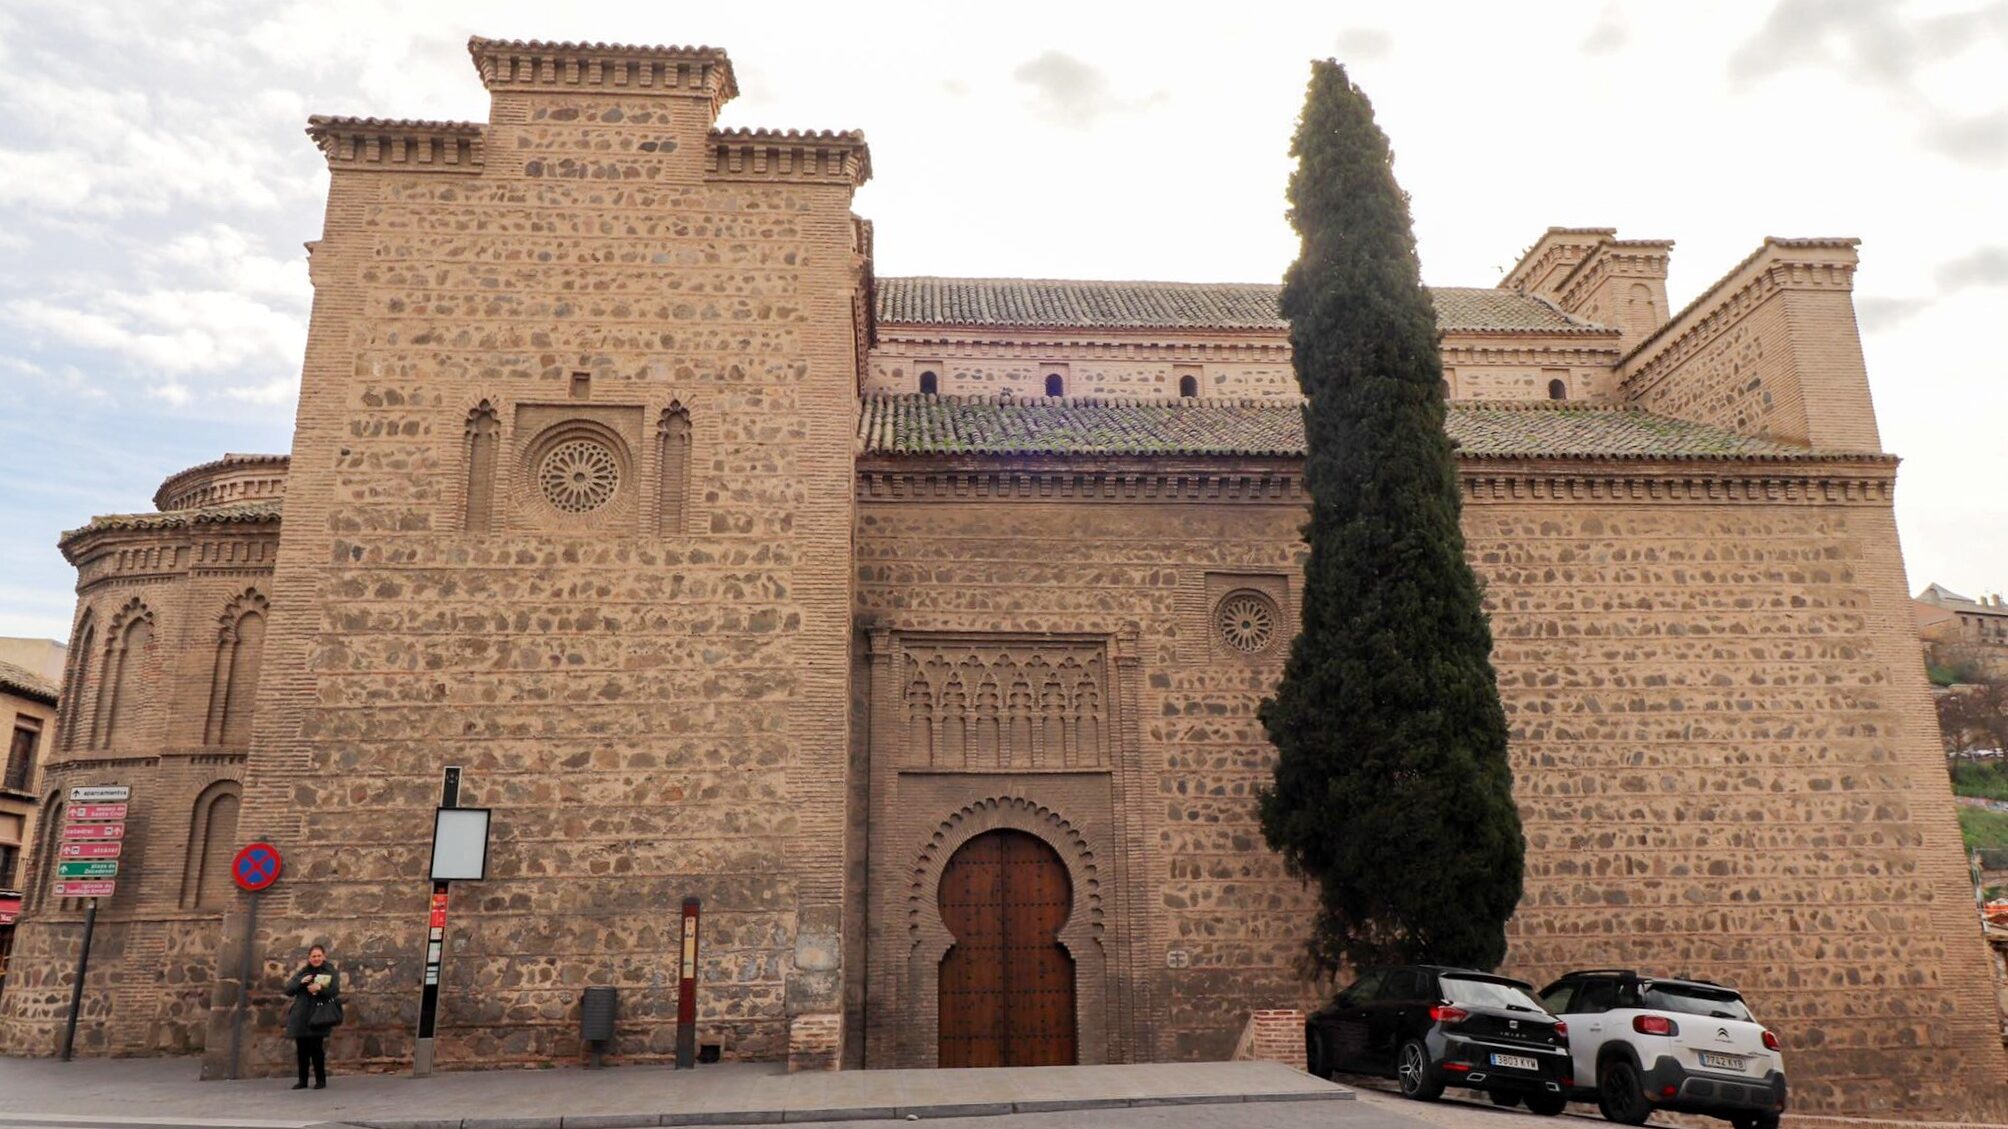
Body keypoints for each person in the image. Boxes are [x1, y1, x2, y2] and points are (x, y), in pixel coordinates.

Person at [282, 944, 339, 1090]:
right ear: (309, 958)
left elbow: (334, 990)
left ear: (324, 956)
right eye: (313, 956)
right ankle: (303, 1080)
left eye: (319, 956)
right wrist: (301, 983)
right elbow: (288, 990)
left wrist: (320, 988)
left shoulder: (329, 971)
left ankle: (321, 1080)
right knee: (302, 1050)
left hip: (318, 1015)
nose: (316, 958)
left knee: (316, 1049)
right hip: (301, 1015)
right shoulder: (303, 972)